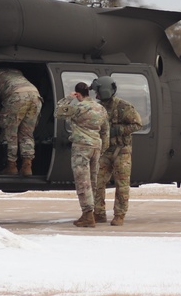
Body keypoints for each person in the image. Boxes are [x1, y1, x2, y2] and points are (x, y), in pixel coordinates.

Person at [55, 82, 109, 228]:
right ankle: (93, 212)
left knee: (82, 181)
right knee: (92, 181)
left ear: (77, 94)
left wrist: (67, 98)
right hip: (96, 147)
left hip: (81, 147)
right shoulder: (100, 108)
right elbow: (105, 130)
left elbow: (58, 112)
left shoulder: (77, 108)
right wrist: (103, 147)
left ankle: (87, 215)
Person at [90, 76, 143, 226]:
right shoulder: (98, 107)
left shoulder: (124, 107)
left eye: (98, 91)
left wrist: (118, 130)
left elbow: (138, 124)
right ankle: (98, 213)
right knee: (97, 181)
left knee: (122, 184)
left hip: (121, 151)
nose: (96, 95)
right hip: (105, 151)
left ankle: (119, 214)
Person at [0, 67, 43, 176]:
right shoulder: (17, 72)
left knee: (10, 132)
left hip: (17, 97)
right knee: (27, 133)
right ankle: (27, 166)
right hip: (36, 96)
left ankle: (11, 166)